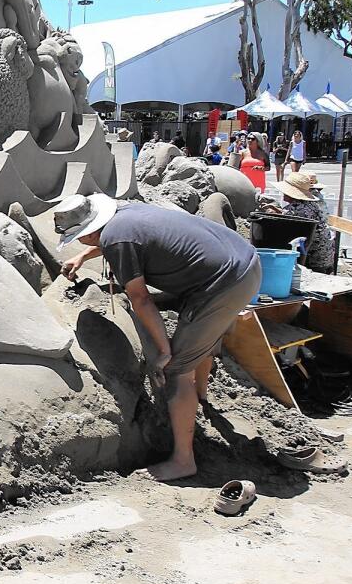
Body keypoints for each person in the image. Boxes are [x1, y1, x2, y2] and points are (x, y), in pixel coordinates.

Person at [57, 194, 261, 482]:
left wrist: (165, 351)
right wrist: (84, 256)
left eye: (78, 239)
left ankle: (183, 460)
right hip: (243, 262)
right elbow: (128, 240)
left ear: (89, 231)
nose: (79, 242)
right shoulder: (125, 212)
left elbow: (140, 299)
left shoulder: (116, 239)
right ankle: (200, 397)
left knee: (176, 369)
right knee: (199, 343)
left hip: (222, 283)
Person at [261, 172, 336, 273]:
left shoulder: (296, 209)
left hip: (314, 259)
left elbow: (288, 223)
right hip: (325, 255)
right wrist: (278, 210)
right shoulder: (310, 205)